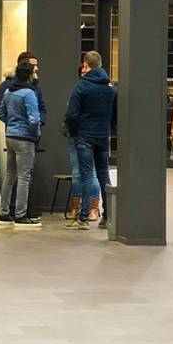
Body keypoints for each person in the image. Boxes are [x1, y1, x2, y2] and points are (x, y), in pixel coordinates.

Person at [64, 50, 117, 231]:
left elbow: (71, 114)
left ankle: (83, 218)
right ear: (100, 64)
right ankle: (108, 216)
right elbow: (114, 114)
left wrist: (74, 130)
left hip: (84, 136)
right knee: (104, 175)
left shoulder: (81, 87)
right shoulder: (110, 87)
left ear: (86, 65)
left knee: (86, 175)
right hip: (103, 136)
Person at [0, 63, 42, 228]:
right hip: (24, 138)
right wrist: (35, 133)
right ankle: (20, 214)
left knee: (10, 175)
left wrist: (12, 124)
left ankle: (4, 212)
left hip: (10, 136)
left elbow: (1, 113)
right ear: (30, 76)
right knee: (24, 176)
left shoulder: (9, 92)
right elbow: (35, 118)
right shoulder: (28, 93)